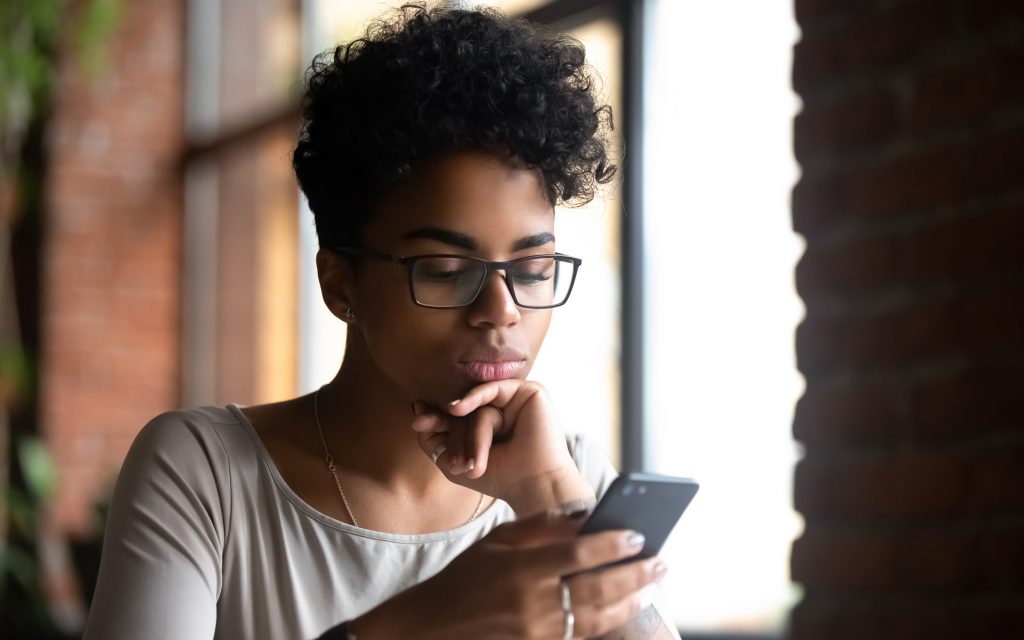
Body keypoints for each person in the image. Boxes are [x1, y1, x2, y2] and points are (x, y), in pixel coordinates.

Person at [83, 4, 680, 639]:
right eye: (446, 270)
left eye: (532, 270)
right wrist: (423, 623)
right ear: (342, 285)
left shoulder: (567, 470)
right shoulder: (208, 474)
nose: (502, 311)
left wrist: (551, 497)